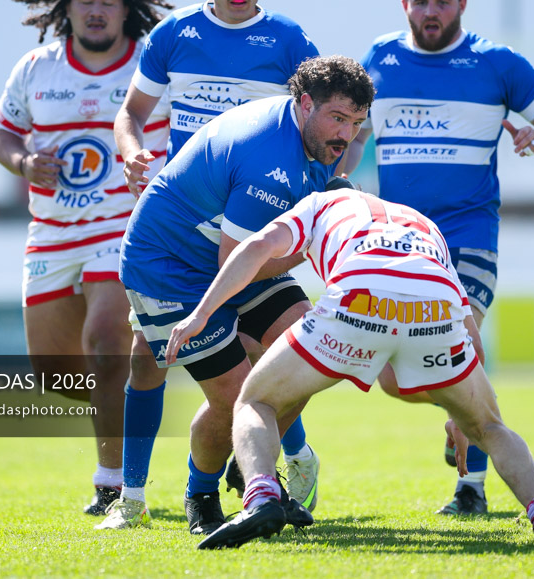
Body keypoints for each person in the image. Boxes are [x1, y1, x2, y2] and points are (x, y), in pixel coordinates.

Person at [163, 188, 534, 550]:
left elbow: (257, 248)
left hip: (360, 294)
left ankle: (261, 497)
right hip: (434, 300)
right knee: (492, 427)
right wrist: (460, 418)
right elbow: (470, 329)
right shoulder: (419, 220)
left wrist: (202, 312)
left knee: (255, 399)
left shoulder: (317, 203)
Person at [338, 0, 534, 517]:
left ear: (461, 6)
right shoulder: (379, 59)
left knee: (460, 344)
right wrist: (337, 177)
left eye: (442, 1)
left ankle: (471, 487)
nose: (431, 11)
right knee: (396, 377)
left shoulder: (495, 63)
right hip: (397, 241)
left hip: (468, 237)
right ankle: (460, 413)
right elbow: (350, 132)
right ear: (405, 7)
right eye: (420, 2)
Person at [102, 56, 374, 535]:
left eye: (355, 123)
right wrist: (314, 244)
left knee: (312, 353)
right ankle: (201, 495)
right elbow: (241, 261)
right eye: (337, 118)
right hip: (170, 268)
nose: (345, 135)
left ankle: (252, 460)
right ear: (304, 103)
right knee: (235, 397)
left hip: (231, 256)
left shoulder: (308, 137)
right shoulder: (269, 159)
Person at [106, 0, 322, 529]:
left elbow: (331, 115)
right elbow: (132, 115)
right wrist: (130, 152)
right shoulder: (175, 34)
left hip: (253, 219)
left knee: (291, 350)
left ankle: (278, 465)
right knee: (147, 361)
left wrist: (322, 186)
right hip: (186, 226)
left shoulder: (287, 40)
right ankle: (128, 496)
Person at [0, 0, 174, 516]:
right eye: (86, 2)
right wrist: (23, 162)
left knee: (106, 338)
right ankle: (129, 398)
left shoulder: (152, 63)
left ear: (127, 10)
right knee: (55, 371)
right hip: (51, 232)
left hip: (123, 223)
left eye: (108, 2)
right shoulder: (37, 68)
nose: (97, 11)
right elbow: (0, 133)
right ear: (66, 10)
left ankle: (112, 478)